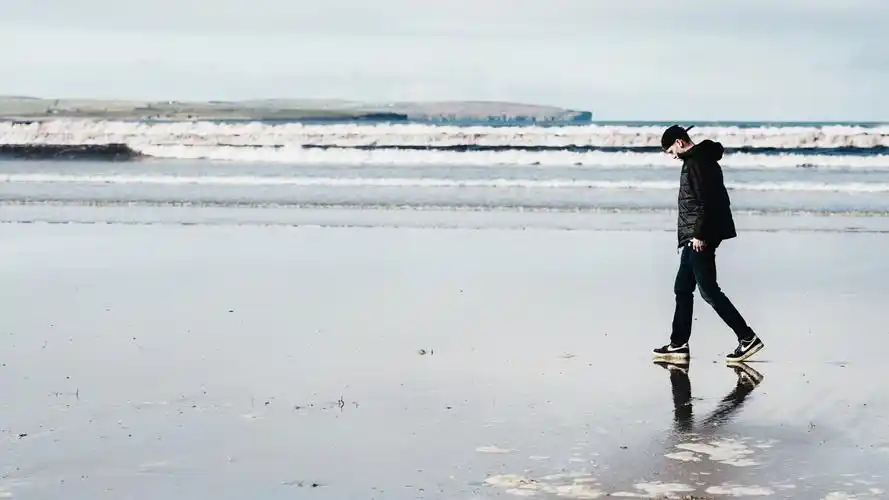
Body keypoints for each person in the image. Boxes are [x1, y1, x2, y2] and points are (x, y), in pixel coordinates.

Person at [652, 125, 764, 363]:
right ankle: (678, 345)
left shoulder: (697, 162)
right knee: (683, 288)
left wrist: (700, 234)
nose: (672, 156)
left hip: (700, 236)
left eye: (671, 150)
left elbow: (707, 201)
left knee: (709, 290)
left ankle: (747, 338)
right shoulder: (697, 159)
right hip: (694, 235)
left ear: (680, 142)